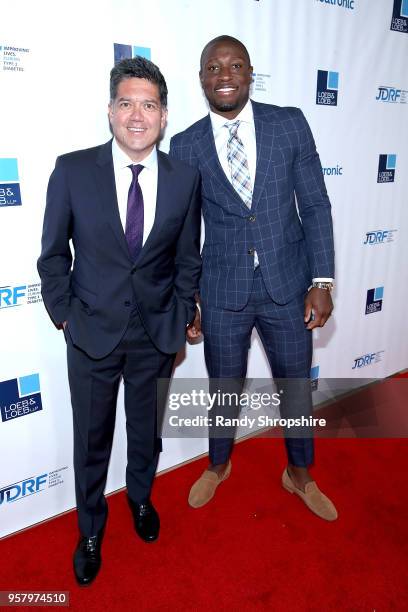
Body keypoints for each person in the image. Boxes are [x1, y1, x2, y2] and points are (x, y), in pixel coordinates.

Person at [38, 56, 201, 585]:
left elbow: (186, 259)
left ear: (164, 114)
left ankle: (139, 498)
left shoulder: (184, 178)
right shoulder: (72, 170)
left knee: (146, 433)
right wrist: (65, 316)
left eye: (149, 105)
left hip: (155, 335)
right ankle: (90, 527)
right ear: (110, 111)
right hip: (90, 335)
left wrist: (178, 318)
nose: (138, 115)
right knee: (91, 439)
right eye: (127, 103)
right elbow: (52, 256)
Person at [170, 35, 337, 520]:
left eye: (235, 65)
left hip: (289, 285)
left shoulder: (289, 124)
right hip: (222, 290)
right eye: (213, 67)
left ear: (250, 73)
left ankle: (299, 474)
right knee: (223, 383)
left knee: (295, 386)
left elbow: (316, 205)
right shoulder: (185, 145)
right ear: (202, 78)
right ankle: (218, 464)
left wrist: (322, 280)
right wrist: (189, 300)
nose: (225, 75)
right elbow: (183, 232)